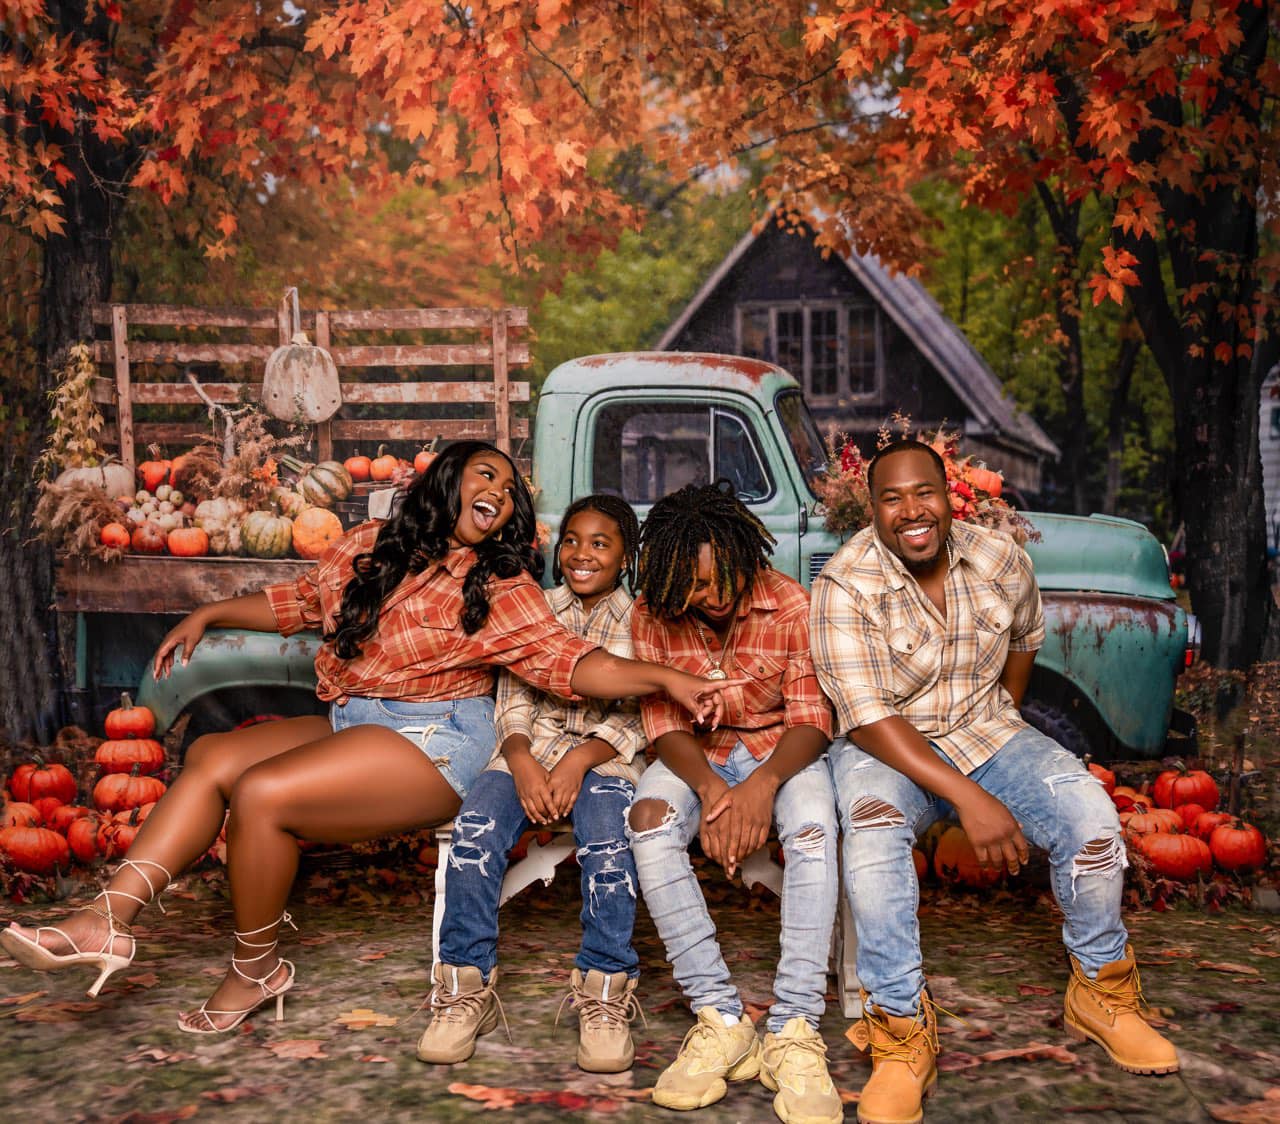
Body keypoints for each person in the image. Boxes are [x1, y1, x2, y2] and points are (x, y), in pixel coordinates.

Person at [1, 442, 737, 1035]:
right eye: (488, 475)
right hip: (357, 721)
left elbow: (577, 664)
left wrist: (667, 681)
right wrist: (211, 614)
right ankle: (106, 921)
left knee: (262, 796)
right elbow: (296, 602)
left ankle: (256, 971)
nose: (502, 493)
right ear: (447, 481)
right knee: (213, 757)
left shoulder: (502, 586)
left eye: (511, 491)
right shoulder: (369, 546)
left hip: (438, 739)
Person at [810, 439, 1179, 1124]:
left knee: (1091, 817)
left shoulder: (999, 556)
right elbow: (863, 718)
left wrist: (1005, 718)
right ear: (872, 508)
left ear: (948, 494)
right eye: (891, 498)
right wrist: (968, 794)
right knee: (871, 835)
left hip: (985, 729)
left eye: (924, 492)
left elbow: (1025, 638)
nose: (910, 511)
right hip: (885, 746)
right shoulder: (843, 583)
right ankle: (899, 1033)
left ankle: (1101, 989)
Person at [626, 482, 843, 1124]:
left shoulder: (789, 602)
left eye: (720, 577)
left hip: (783, 749)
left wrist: (761, 785)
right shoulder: (652, 613)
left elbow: (811, 720)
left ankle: (793, 1028)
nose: (711, 595)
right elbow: (663, 725)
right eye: (691, 587)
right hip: (696, 754)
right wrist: (713, 789)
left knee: (810, 828)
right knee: (648, 820)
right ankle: (720, 1017)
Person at [419, 494, 647, 1072]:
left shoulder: (643, 621)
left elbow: (638, 714)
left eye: (601, 543)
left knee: (609, 843)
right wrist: (521, 759)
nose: (582, 554)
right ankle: (466, 987)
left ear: (625, 557)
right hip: (525, 753)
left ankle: (604, 989)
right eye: (572, 540)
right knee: (475, 831)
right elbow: (512, 698)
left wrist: (578, 763)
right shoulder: (534, 608)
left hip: (605, 763)